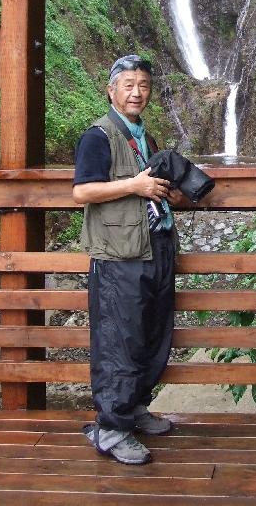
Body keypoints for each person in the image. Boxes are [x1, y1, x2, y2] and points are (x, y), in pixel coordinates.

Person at [73, 54, 181, 465]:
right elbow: (82, 192)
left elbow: (151, 188)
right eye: (129, 84)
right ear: (112, 89)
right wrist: (134, 185)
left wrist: (167, 191)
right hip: (119, 256)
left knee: (152, 334)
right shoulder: (98, 136)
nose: (137, 92)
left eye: (144, 85)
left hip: (156, 248)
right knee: (120, 340)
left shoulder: (145, 138)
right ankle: (112, 428)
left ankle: (134, 408)